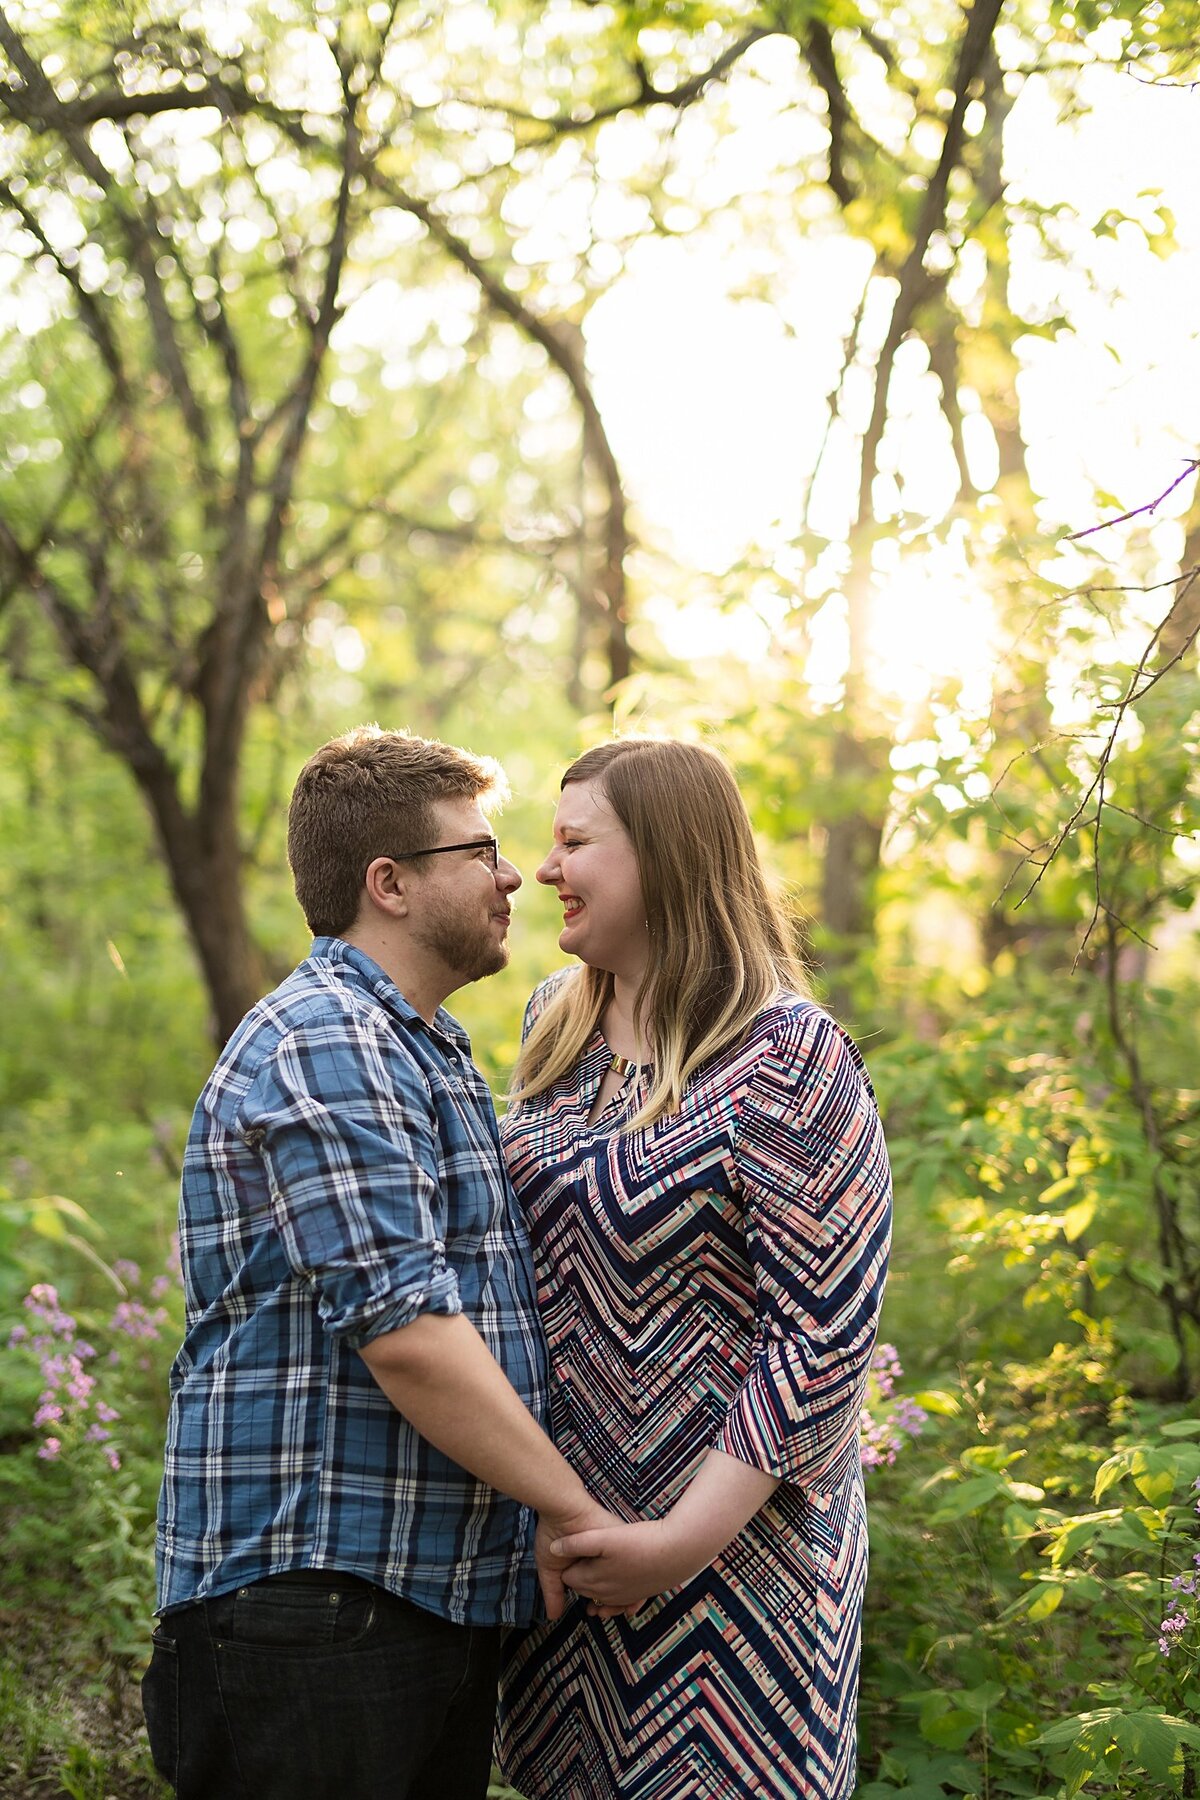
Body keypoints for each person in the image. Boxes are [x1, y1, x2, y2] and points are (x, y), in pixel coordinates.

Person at [142, 725, 622, 1800]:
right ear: (390, 884)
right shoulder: (330, 1039)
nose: (514, 876)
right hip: (312, 1608)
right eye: (480, 852)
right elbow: (405, 1331)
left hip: (408, 1600)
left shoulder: (425, 1047)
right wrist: (576, 1514)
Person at [495, 737, 893, 1800]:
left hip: (736, 1583)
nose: (545, 870)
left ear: (667, 857)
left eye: (575, 842)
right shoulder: (553, 1022)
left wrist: (675, 1543)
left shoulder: (790, 1057)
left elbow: (820, 1336)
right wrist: (552, 1506)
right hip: (569, 1557)